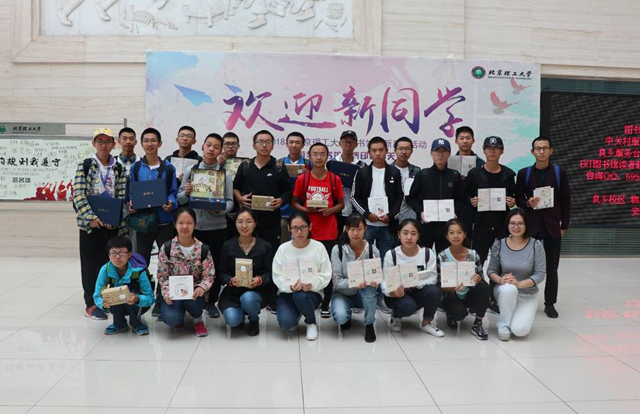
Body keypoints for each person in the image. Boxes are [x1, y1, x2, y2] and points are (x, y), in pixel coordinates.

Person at [177, 133, 234, 319]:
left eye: (216, 147)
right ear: (202, 146)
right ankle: (193, 299)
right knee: (191, 266)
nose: (211, 149)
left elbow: (230, 202)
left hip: (217, 228)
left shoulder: (225, 174)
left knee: (214, 266)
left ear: (220, 151)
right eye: (209, 145)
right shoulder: (191, 171)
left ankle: (211, 302)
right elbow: (180, 199)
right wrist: (186, 192)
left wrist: (218, 209)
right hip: (194, 229)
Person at [73, 127, 128, 320]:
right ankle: (91, 304)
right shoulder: (86, 165)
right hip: (90, 226)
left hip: (111, 227)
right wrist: (91, 218)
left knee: (110, 265)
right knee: (90, 266)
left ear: (114, 144)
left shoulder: (119, 168)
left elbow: (121, 197)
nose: (103, 145)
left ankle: (107, 300)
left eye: (107, 141)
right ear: (94, 143)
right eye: (100, 141)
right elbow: (78, 195)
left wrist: (116, 220)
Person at [515, 136, 570, 319]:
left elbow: (566, 200)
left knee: (552, 268)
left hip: (552, 226)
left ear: (551, 150)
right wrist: (527, 203)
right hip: (531, 227)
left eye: (545, 148)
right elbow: (518, 198)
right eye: (538, 148)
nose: (541, 151)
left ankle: (550, 303)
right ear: (532, 152)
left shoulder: (559, 173)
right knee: (525, 266)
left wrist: (564, 225)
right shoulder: (524, 173)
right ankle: (523, 299)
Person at [129, 127, 179, 318]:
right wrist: (132, 203)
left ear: (160, 143)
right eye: (146, 140)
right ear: (141, 144)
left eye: (153, 140)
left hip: (165, 221)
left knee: (165, 262)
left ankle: (160, 298)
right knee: (141, 261)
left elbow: (173, 192)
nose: (150, 144)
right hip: (143, 222)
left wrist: (171, 203)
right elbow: (132, 192)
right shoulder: (135, 168)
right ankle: (143, 297)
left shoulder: (168, 168)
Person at [291, 142, 344, 318]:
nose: (319, 157)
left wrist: (331, 210)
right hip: (307, 232)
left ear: (327, 156)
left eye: (322, 154)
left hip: (329, 230)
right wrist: (306, 210)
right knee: (307, 265)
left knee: (326, 268)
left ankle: (326, 302)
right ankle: (309, 299)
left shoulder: (334, 179)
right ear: (310, 157)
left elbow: (341, 204)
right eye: (315, 154)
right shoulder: (303, 179)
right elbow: (294, 202)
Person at [488, 209, 546, 341]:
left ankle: (512, 315)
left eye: (520, 223)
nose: (516, 227)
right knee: (509, 288)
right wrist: (501, 280)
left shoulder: (536, 245)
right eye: (512, 223)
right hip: (504, 290)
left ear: (526, 225)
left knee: (519, 331)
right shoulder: (499, 244)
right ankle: (503, 324)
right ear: (507, 225)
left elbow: (540, 274)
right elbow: (491, 270)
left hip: (527, 294)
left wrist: (519, 284)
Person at [272, 211, 331, 341]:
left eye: (303, 227)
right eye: (295, 228)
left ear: (310, 227)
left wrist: (312, 285)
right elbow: (277, 275)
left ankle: (311, 322)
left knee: (300, 296)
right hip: (288, 292)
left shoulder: (318, 247)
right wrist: (290, 287)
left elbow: (326, 274)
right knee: (286, 324)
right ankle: (298, 311)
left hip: (311, 293)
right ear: (289, 229)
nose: (299, 232)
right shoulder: (283, 249)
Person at [157, 207, 215, 337]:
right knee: (172, 319)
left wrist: (202, 287)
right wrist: (166, 293)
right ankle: (178, 316)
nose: (185, 227)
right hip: (174, 293)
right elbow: (162, 276)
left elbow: (209, 275)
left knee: (194, 303)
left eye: (189, 223)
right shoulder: (167, 248)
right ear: (175, 224)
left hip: (194, 294)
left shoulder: (203, 249)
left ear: (195, 225)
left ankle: (197, 319)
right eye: (181, 223)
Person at [382, 219, 444, 337]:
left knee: (434, 291)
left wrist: (416, 283)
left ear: (418, 236)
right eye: (405, 233)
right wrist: (391, 292)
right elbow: (385, 279)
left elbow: (433, 278)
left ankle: (426, 323)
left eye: (413, 233)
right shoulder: (391, 255)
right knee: (408, 307)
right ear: (399, 234)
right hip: (397, 294)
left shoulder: (427, 253)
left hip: (417, 290)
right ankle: (396, 316)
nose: (409, 237)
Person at [233, 129, 291, 252]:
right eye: (260, 142)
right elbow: (235, 187)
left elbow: (287, 190)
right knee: (247, 251)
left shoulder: (279, 167)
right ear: (254, 146)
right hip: (248, 221)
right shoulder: (245, 166)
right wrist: (240, 198)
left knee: (270, 252)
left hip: (271, 220)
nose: (264, 145)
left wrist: (281, 200)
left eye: (268, 142)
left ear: (272, 146)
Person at [218, 209, 273, 336]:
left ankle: (254, 319)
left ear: (255, 224)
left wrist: (259, 279)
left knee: (248, 298)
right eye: (240, 222)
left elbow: (270, 273)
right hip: (233, 292)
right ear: (235, 224)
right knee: (233, 321)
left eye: (248, 221)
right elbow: (221, 273)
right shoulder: (228, 245)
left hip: (256, 292)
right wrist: (230, 280)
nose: (244, 226)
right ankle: (240, 314)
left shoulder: (265, 246)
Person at [465, 136, 517, 264]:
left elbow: (514, 195)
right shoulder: (474, 174)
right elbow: (465, 195)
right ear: (484, 150)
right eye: (489, 148)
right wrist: (471, 200)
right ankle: (477, 278)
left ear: (502, 151)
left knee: (502, 261)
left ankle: (498, 278)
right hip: (481, 224)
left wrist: (513, 201)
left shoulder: (509, 174)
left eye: (496, 148)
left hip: (501, 224)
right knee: (478, 260)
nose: (492, 151)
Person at [406, 138, 464, 253]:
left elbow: (461, 199)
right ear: (431, 153)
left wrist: (455, 212)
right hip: (426, 226)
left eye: (444, 151)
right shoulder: (423, 174)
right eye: (437, 151)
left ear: (449, 154)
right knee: (423, 257)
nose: (440, 154)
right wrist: (421, 212)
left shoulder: (454, 175)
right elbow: (411, 198)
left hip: (447, 227)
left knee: (445, 258)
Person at [437, 219, 490, 340]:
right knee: (459, 313)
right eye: (451, 233)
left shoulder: (473, 255)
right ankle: (450, 314)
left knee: (485, 287)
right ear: (447, 236)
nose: (456, 236)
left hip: (469, 293)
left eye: (459, 232)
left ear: (465, 234)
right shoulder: (442, 256)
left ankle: (478, 323)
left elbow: (481, 278)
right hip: (451, 295)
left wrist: (478, 279)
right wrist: (451, 288)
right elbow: (438, 285)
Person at [330, 213, 379, 342]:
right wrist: (356, 282)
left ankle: (369, 324)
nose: (355, 233)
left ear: (365, 229)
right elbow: (336, 282)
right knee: (341, 317)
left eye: (359, 229)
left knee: (370, 288)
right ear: (346, 229)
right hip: (342, 293)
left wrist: (376, 282)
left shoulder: (372, 251)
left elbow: (378, 276)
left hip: (363, 294)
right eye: (352, 229)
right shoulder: (337, 250)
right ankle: (346, 315)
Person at [93, 236, 154, 335]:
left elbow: (150, 297)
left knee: (130, 293)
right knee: (112, 293)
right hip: (115, 304)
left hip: (137, 304)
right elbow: (96, 296)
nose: (117, 257)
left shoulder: (138, 270)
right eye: (113, 253)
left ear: (129, 254)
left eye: (121, 253)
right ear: (109, 255)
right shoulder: (105, 270)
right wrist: (102, 303)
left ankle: (136, 323)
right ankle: (119, 323)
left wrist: (137, 298)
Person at [328, 130, 366, 233]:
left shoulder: (362, 165)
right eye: (345, 142)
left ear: (356, 144)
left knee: (354, 238)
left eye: (351, 142)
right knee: (336, 238)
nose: (348, 145)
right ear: (340, 143)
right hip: (335, 210)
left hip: (355, 210)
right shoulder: (331, 164)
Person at [279, 131, 312, 243]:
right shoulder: (279, 163)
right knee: (284, 239)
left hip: (302, 208)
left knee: (302, 238)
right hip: (283, 208)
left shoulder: (309, 164)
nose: (294, 145)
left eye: (297, 142)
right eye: (291, 142)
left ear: (303, 145)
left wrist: (310, 175)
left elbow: (316, 182)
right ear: (286, 144)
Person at [454, 126, 485, 244]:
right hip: (454, 207)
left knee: (472, 240)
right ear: (456, 141)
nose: (465, 141)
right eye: (461, 138)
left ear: (473, 140)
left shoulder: (481, 163)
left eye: (468, 138)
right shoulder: (449, 162)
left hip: (474, 206)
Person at [117, 127, 138, 251]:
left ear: (136, 142)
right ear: (119, 141)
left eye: (131, 139)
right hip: (118, 209)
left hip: (137, 210)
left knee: (136, 245)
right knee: (119, 245)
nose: (128, 142)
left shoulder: (142, 163)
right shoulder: (112, 164)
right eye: (124, 138)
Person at [392, 137, 421, 222]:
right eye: (400, 149)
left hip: (411, 212)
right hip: (392, 213)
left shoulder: (417, 171)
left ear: (411, 151)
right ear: (395, 150)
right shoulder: (388, 170)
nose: (404, 152)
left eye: (407, 149)